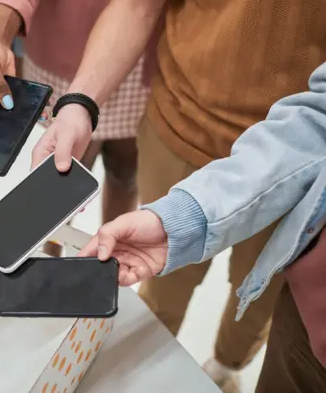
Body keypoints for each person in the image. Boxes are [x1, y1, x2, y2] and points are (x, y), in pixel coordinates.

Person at [26, 0, 326, 390]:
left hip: (302, 189)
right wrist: (80, 102)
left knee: (255, 302)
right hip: (182, 119)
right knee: (159, 294)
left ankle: (227, 365)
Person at [80, 62, 326, 392]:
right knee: (164, 295)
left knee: (252, 311)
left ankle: (228, 365)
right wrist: (181, 219)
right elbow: (316, 124)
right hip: (309, 324)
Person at [0, 0, 159, 231]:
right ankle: (48, 251)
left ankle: (112, 257)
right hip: (65, 34)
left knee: (125, 170)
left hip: (143, 50)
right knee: (61, 172)